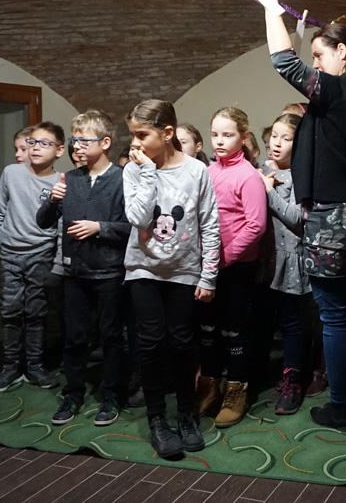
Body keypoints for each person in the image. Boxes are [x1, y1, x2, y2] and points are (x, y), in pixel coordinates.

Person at [242, 0, 346, 432]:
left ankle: (343, 409)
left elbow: (284, 62)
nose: (315, 65)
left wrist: (271, 6)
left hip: (334, 217)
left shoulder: (340, 90)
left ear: (341, 54)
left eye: (321, 56)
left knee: (336, 318)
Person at [123, 99, 220, 459]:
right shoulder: (134, 170)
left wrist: (208, 275)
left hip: (183, 269)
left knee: (182, 343)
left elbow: (209, 224)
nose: (135, 143)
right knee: (150, 344)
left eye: (141, 135)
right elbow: (138, 218)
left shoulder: (196, 171)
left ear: (166, 133)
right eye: (132, 135)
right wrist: (148, 172)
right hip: (143, 269)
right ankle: (157, 419)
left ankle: (186, 414)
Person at [37, 110, 131, 427]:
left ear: (105, 143)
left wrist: (100, 228)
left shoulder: (122, 179)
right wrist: (52, 200)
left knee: (111, 337)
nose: (76, 145)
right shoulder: (70, 179)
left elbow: (134, 227)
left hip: (110, 273)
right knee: (74, 338)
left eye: (83, 140)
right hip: (74, 273)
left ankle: (111, 396)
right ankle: (73, 393)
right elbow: (43, 221)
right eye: (74, 139)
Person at [199, 106, 268, 427]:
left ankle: (236, 390)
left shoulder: (248, 175)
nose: (219, 140)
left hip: (236, 267)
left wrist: (224, 258)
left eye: (227, 135)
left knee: (234, 330)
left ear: (243, 137)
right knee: (208, 329)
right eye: (215, 134)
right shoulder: (207, 171)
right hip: (208, 265)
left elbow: (255, 225)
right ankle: (209, 384)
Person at [0, 122, 65, 392]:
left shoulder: (60, 182)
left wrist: (57, 261)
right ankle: (10, 366)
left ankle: (34, 366)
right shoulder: (11, 173)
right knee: (10, 311)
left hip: (41, 254)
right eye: (32, 142)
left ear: (59, 150)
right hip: (11, 254)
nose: (36, 148)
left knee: (36, 312)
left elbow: (60, 225)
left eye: (44, 143)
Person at [261, 112, 312, 415]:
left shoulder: (301, 175)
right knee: (265, 319)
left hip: (291, 257)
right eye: (275, 136)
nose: (277, 143)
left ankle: (294, 378)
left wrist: (267, 190)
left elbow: (296, 218)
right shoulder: (260, 169)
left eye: (286, 138)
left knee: (293, 322)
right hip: (264, 258)